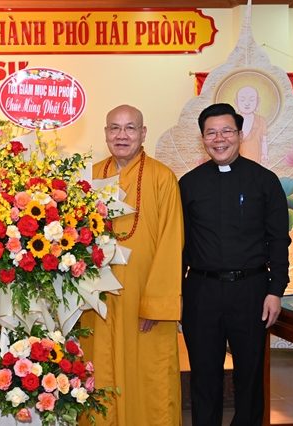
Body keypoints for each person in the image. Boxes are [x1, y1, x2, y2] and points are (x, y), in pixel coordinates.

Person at [179, 103, 290, 426]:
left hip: (251, 291)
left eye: (227, 131)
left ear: (240, 134)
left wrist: (275, 291)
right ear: (202, 139)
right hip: (202, 291)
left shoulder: (264, 181)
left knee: (250, 377)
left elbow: (278, 240)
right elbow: (179, 245)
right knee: (204, 376)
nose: (219, 139)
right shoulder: (188, 184)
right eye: (211, 133)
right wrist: (177, 292)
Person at [79, 105, 184, 425]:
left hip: (142, 302)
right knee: (98, 371)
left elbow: (171, 242)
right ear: (105, 133)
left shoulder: (162, 177)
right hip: (97, 300)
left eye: (129, 128)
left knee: (149, 377)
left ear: (143, 133)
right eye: (114, 128)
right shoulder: (90, 176)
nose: (121, 135)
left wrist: (156, 304)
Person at [235, 85, 268, 164]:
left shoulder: (261, 121)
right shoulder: (232, 121)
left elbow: (264, 140)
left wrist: (264, 154)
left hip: (255, 159)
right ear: (236, 101)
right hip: (236, 160)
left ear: (258, 101)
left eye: (252, 100)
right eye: (242, 100)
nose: (247, 103)